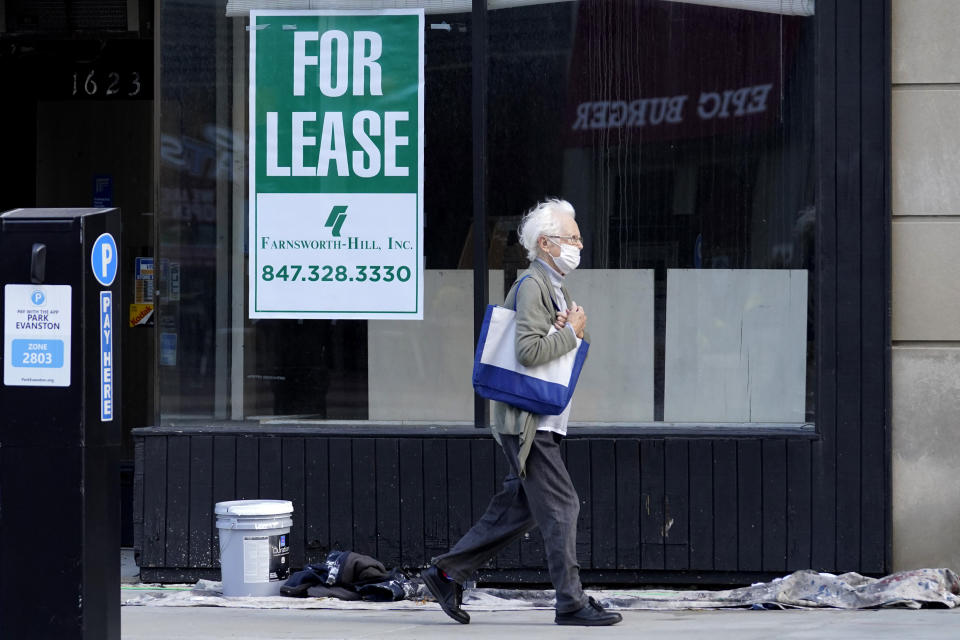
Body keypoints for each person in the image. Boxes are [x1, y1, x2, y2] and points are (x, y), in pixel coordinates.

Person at [421, 198, 622, 626]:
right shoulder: (534, 286)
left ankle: (445, 573)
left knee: (522, 507)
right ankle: (570, 602)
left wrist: (569, 327)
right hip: (529, 424)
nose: (579, 244)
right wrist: (572, 332)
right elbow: (529, 352)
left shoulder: (554, 287)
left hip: (535, 420)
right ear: (546, 243)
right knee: (563, 506)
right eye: (572, 237)